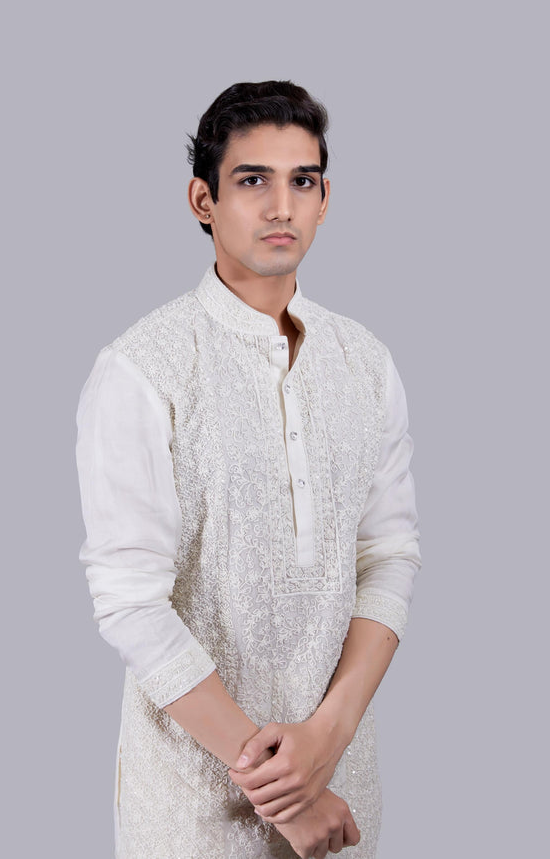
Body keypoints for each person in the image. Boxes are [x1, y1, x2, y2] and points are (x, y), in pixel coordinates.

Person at [75, 80, 421, 859]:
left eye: (303, 180)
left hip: (344, 795)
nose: (281, 206)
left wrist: (327, 739)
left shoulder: (366, 364)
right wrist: (282, 790)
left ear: (325, 199)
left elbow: (388, 556)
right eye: (253, 180)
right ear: (203, 200)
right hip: (194, 809)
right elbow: (130, 601)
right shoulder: (144, 369)